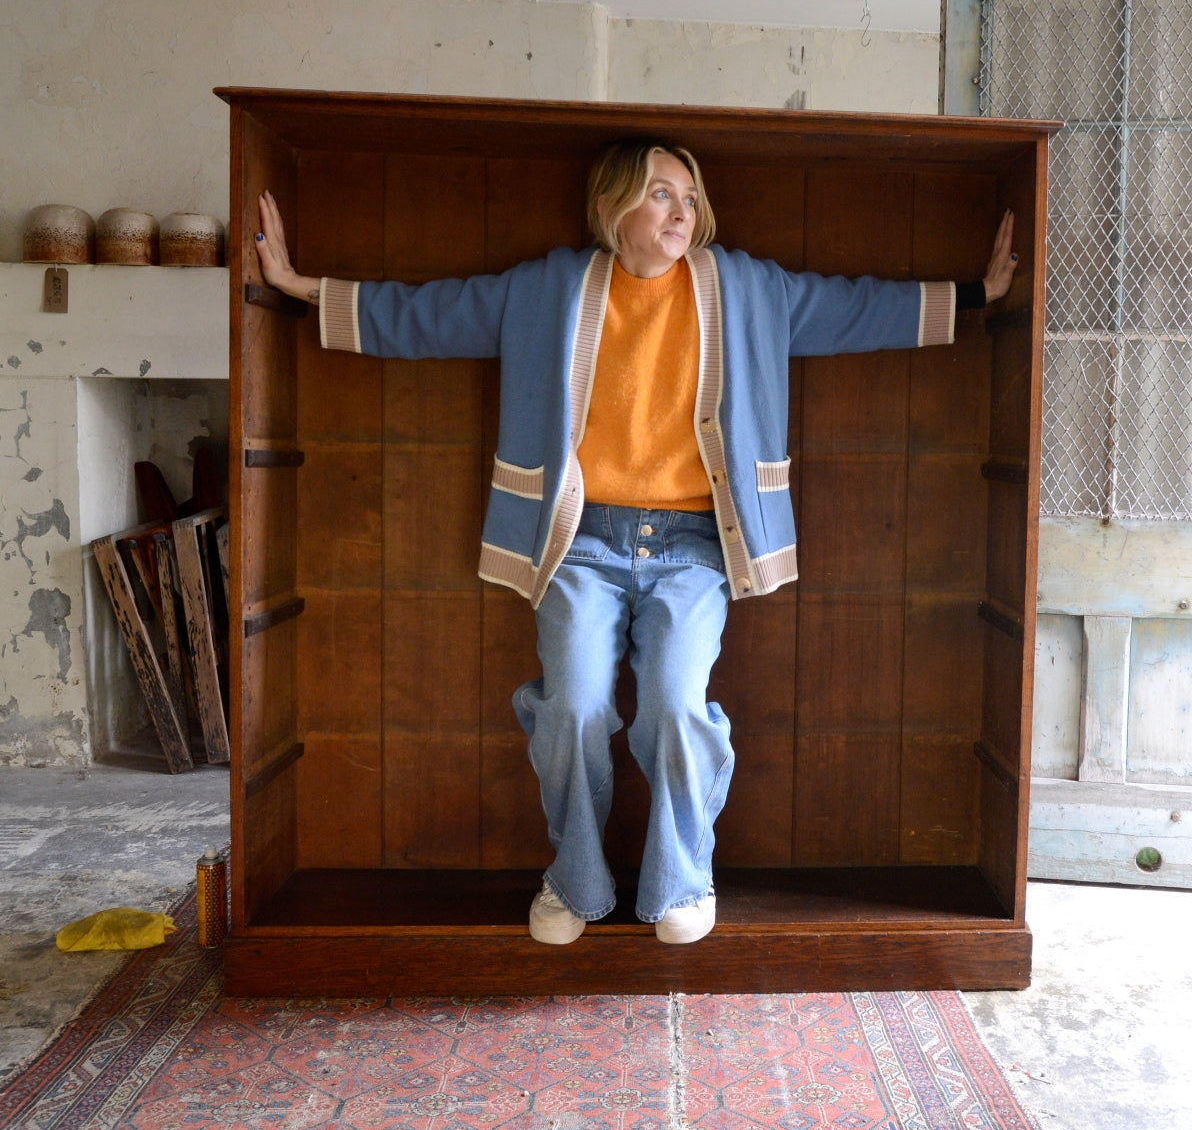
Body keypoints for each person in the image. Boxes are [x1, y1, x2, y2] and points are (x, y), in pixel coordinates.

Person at [255, 138, 1017, 947]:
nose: (680, 212)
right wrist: (305, 290)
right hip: (579, 542)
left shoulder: (747, 289)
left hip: (695, 548)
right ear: (611, 207)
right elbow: (435, 314)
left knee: (674, 705)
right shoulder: (550, 288)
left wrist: (978, 292)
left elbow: (853, 307)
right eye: (660, 194)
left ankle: (683, 880)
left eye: (689, 198)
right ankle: (574, 880)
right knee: (575, 706)